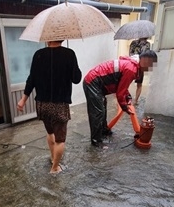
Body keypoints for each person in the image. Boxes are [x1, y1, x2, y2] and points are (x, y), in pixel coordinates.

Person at [17, 41, 82, 174]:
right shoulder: (69, 54)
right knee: (60, 139)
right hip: (60, 105)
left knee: (50, 132)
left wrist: (23, 100)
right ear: (62, 38)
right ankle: (55, 168)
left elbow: (31, 79)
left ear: (47, 38)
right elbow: (76, 78)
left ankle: (53, 158)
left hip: (42, 104)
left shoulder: (38, 54)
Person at [83, 50, 157, 147]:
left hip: (97, 82)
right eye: (150, 64)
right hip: (92, 81)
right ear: (144, 61)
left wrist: (128, 97)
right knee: (98, 112)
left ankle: (104, 131)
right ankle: (96, 141)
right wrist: (125, 107)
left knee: (102, 107)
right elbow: (120, 92)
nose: (150, 68)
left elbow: (122, 87)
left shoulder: (134, 67)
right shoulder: (131, 69)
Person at [129, 37, 152, 105]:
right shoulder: (147, 44)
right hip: (137, 64)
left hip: (135, 64)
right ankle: (134, 100)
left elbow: (130, 54)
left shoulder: (134, 43)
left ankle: (135, 100)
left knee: (136, 83)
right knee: (135, 83)